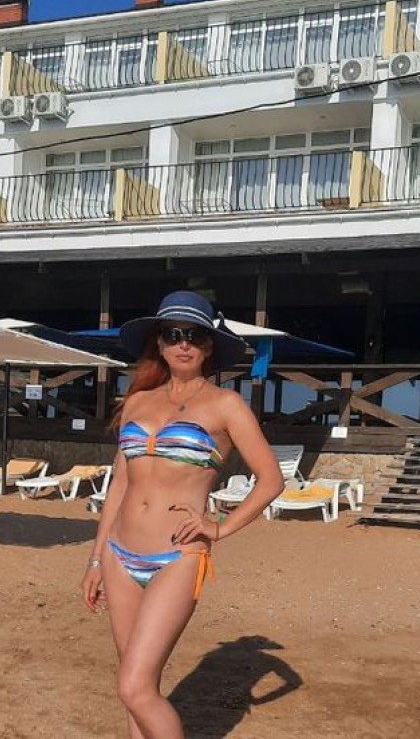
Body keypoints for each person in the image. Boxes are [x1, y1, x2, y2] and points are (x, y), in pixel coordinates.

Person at [82, 290, 285, 739]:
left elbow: (271, 480)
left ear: (210, 346)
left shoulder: (226, 405)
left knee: (134, 687)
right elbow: (120, 485)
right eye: (173, 334)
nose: (184, 344)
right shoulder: (137, 401)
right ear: (159, 342)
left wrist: (220, 528)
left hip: (177, 557)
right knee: (134, 685)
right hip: (119, 554)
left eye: (195, 335)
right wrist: (96, 559)